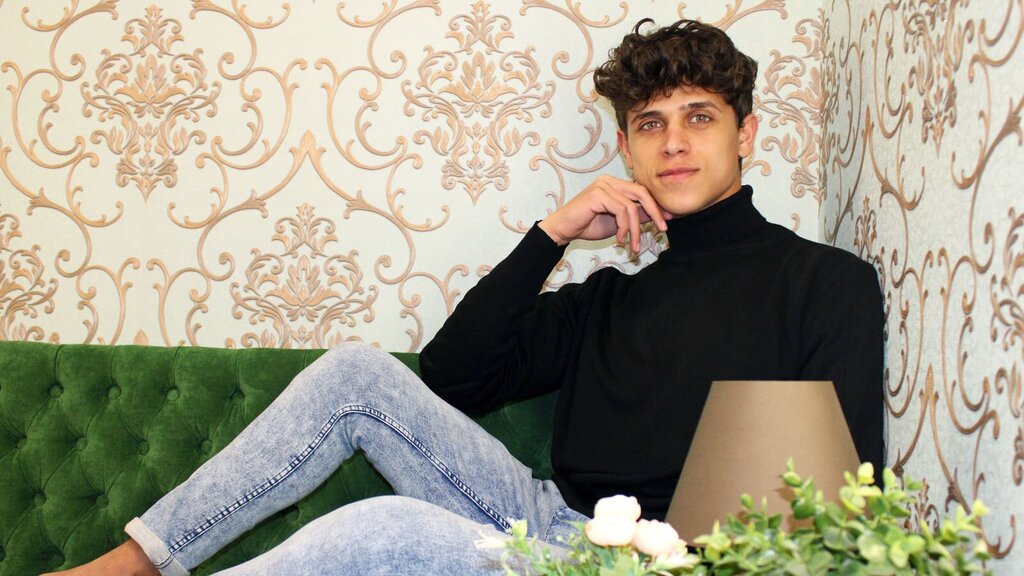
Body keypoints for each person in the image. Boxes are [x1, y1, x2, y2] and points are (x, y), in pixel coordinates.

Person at [47, 18, 883, 576]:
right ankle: (135, 563)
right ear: (628, 150)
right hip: (543, 519)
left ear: (746, 133)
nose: (673, 142)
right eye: (649, 123)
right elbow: (454, 378)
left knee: (380, 531)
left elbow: (841, 489)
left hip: (651, 561)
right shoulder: (606, 300)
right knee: (355, 374)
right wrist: (551, 235)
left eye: (699, 117)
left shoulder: (823, 282)